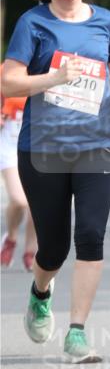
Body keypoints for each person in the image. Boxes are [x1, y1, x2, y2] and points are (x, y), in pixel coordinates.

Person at [2, 0, 110, 364]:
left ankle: (77, 332)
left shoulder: (107, 22)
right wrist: (54, 78)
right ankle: (41, 291)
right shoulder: (32, 24)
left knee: (92, 236)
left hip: (99, 143)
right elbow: (9, 82)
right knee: (54, 247)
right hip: (43, 148)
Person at [0, 71, 37, 271]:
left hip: (37, 144)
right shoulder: (6, 70)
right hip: (9, 144)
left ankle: (30, 251)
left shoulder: (49, 66)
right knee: (20, 200)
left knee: (37, 204)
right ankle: (11, 237)